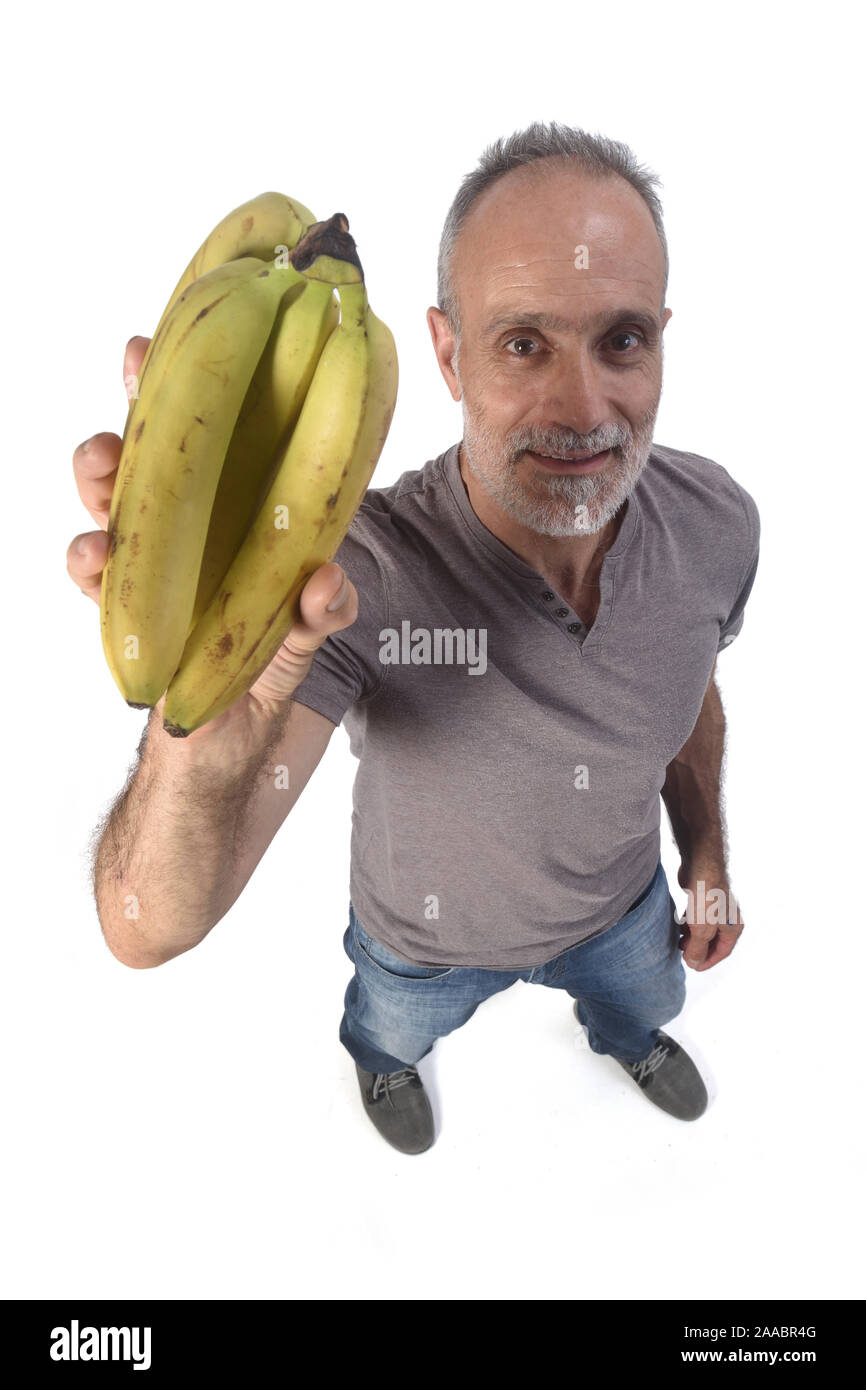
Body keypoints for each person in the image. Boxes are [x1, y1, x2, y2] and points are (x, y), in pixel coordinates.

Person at [67, 121, 760, 1157]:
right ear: (444, 351)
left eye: (619, 340)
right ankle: (382, 1063)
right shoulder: (355, 574)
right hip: (419, 952)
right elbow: (142, 923)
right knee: (387, 1032)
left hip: (621, 916)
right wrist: (195, 736)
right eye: (522, 342)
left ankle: (626, 1036)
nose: (582, 410)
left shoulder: (716, 521)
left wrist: (703, 852)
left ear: (660, 336)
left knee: (640, 1001)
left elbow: (685, 684)